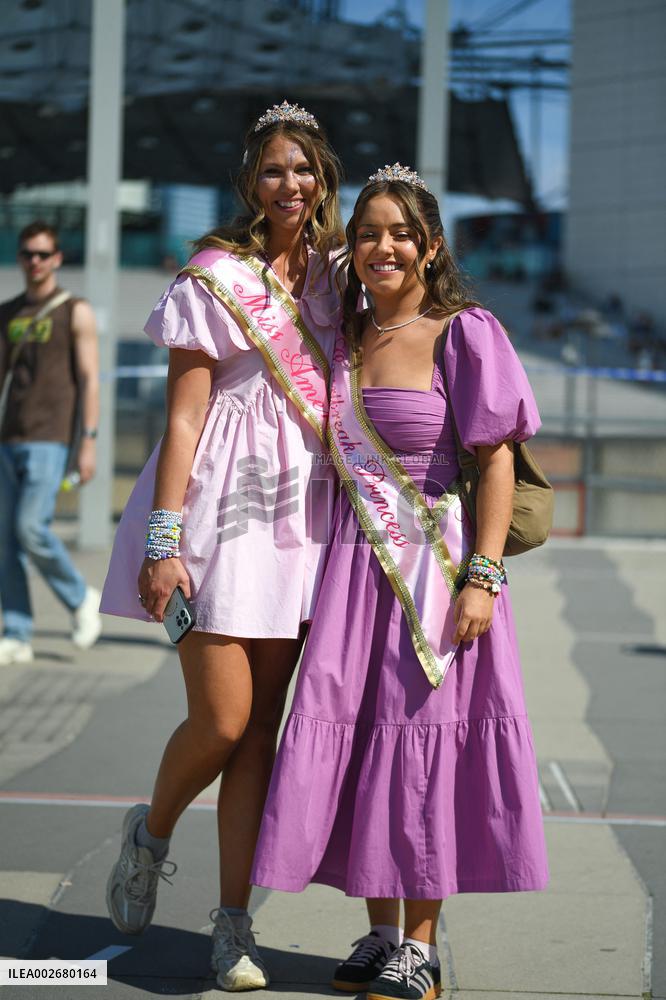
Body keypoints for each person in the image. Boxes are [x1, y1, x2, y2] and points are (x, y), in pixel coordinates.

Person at [251, 164, 549, 1000]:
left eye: (399, 232)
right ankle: (382, 933)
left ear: (429, 245)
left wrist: (482, 579)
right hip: (356, 570)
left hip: (435, 567)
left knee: (423, 750)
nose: (382, 246)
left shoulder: (465, 332)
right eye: (369, 232)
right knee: (362, 746)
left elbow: (495, 464)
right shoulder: (343, 339)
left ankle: (422, 945)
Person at [100, 101, 344, 991]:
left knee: (259, 744)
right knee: (223, 721)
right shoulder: (214, 275)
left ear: (325, 180)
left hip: (300, 520)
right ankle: (151, 832)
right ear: (252, 179)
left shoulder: (336, 277)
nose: (292, 185)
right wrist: (162, 542)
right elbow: (185, 414)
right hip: (214, 515)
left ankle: (233, 928)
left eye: (306, 169)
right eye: (276, 169)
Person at [0, 221, 102, 666]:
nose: (35, 262)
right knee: (5, 540)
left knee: (29, 528)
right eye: (28, 254)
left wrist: (89, 441)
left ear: (57, 258)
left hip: (50, 437)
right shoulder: (8, 313)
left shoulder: (73, 310)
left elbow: (90, 380)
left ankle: (81, 598)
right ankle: (17, 631)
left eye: (43, 254)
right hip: (8, 437)